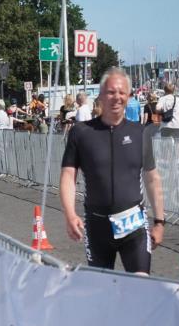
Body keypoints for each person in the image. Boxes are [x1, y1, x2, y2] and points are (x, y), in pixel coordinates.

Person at [60, 68, 163, 274]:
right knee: (102, 294)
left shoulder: (140, 133)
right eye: (111, 92)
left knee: (141, 288)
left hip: (134, 226)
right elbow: (68, 176)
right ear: (100, 95)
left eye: (122, 92)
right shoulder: (81, 133)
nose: (117, 97)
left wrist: (159, 221)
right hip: (97, 226)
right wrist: (70, 214)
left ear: (128, 96)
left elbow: (152, 178)